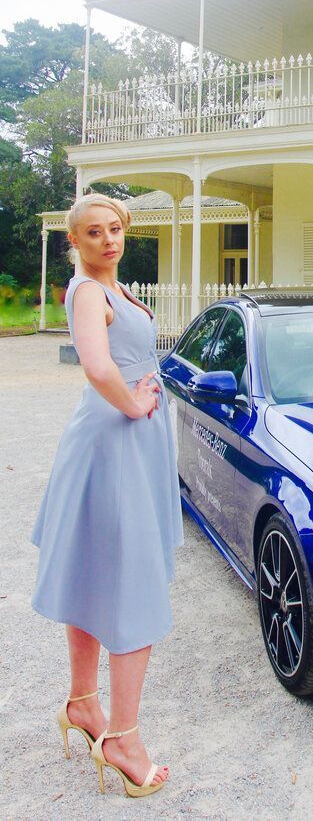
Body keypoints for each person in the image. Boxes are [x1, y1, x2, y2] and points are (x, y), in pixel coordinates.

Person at [31, 193, 183, 798]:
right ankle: (122, 738)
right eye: (93, 232)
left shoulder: (113, 289)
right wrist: (136, 404)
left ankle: (82, 703)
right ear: (74, 241)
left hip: (118, 442)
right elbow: (96, 366)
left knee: (95, 571)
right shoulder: (90, 292)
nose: (108, 239)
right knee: (131, 585)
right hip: (116, 441)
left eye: (115, 228)